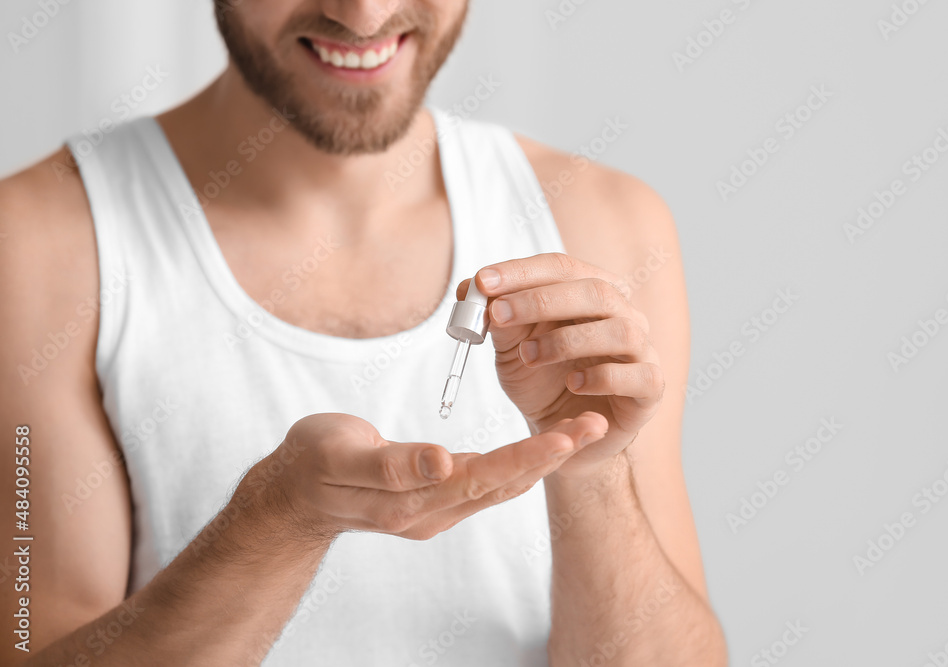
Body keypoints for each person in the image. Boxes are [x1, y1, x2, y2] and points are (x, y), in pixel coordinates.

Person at [0, 1, 727, 664]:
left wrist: (592, 476)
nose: (364, 14)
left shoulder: (608, 225)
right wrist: (275, 523)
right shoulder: (40, 247)